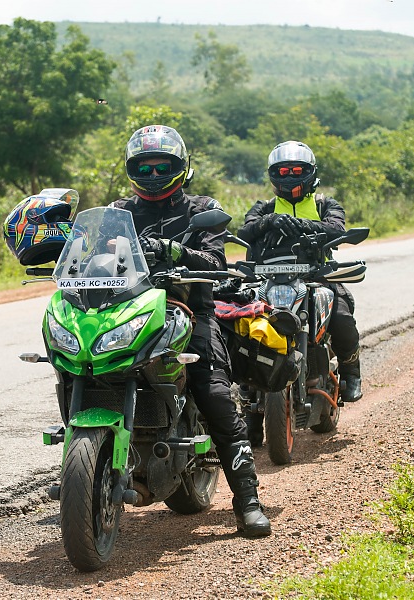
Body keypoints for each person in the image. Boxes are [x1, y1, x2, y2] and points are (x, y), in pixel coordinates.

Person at [110, 124, 271, 538]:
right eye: (143, 168)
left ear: (180, 167)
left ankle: (247, 501)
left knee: (215, 394)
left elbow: (216, 260)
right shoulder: (118, 211)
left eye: (162, 166)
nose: (153, 174)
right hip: (126, 314)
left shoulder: (201, 207)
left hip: (190, 313)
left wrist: (175, 250)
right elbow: (89, 253)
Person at [237, 140, 363, 403]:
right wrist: (269, 222)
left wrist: (302, 225)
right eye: (283, 172)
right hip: (270, 280)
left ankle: (352, 373)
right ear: (274, 174)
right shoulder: (265, 207)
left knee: (341, 316)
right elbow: (244, 231)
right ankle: (246, 387)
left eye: (297, 171)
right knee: (240, 322)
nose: (290, 177)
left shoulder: (324, 204)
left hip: (317, 276)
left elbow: (337, 229)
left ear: (310, 173)